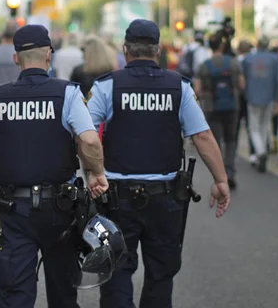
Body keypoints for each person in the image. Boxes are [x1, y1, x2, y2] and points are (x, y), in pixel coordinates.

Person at [88, 19, 231, 308]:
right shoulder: (179, 87)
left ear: (125, 49)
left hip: (116, 198)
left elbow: (86, 137)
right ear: (158, 51)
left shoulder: (106, 87)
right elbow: (202, 136)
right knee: (161, 275)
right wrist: (221, 180)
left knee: (116, 272)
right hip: (165, 199)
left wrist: (93, 173)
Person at [0, 24, 109, 308]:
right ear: (49, 56)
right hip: (60, 209)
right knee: (63, 295)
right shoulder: (67, 94)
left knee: (15, 297)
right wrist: (97, 173)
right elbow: (90, 141)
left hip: (13, 210)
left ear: (16, 58)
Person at [194, 32, 245, 190]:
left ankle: (219, 174)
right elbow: (242, 85)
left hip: (212, 107)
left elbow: (197, 88)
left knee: (216, 141)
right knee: (231, 140)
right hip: (231, 106)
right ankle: (230, 172)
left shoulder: (204, 65)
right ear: (222, 46)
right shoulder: (234, 63)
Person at [242, 37, 278, 173]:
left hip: (252, 97)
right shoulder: (274, 59)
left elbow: (244, 79)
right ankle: (263, 149)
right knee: (265, 126)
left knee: (253, 127)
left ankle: (260, 152)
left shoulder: (248, 59)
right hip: (269, 97)